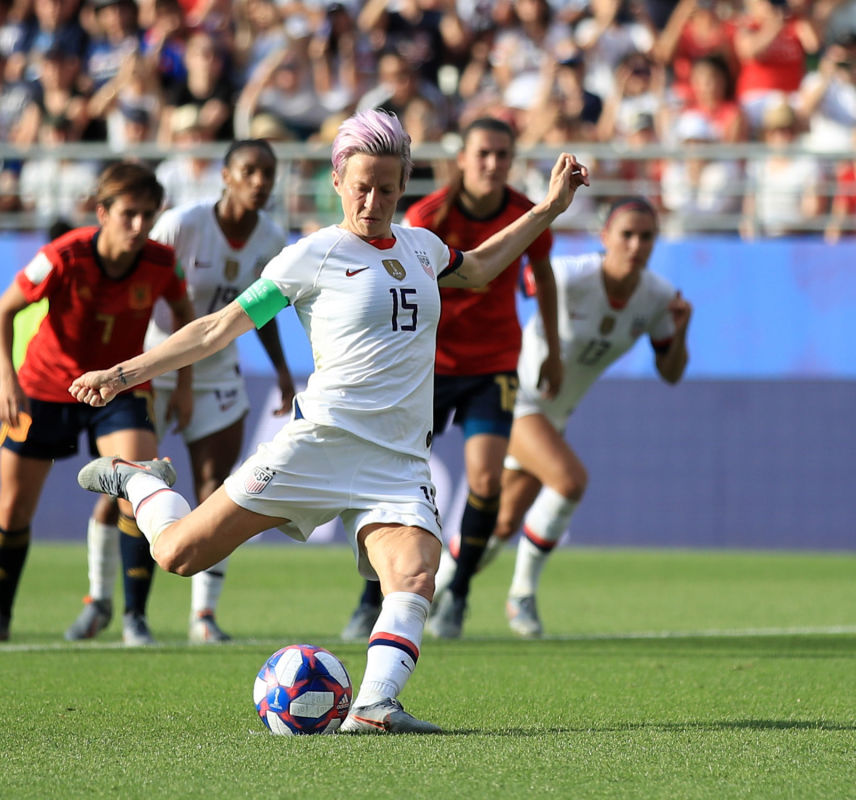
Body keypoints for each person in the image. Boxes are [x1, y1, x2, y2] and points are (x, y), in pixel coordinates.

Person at [70, 109, 588, 733]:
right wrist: (122, 374)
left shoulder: (423, 249)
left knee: (418, 571)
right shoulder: (310, 256)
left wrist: (548, 210)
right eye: (363, 186)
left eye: (389, 189)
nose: (374, 201)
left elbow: (478, 267)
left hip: (396, 461)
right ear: (339, 180)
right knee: (179, 554)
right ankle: (140, 481)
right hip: (317, 444)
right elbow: (214, 328)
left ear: (403, 189)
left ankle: (372, 707)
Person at [341, 116, 564, 642]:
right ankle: (373, 595)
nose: (492, 164)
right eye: (483, 153)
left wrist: (551, 348)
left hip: (494, 364)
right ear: (461, 157)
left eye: (502, 155)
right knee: (399, 479)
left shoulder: (520, 213)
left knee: (486, 481)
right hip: (431, 368)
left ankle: (459, 592)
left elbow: (544, 277)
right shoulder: (428, 214)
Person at [65, 139, 295, 645]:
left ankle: (204, 617)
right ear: (226, 177)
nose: (260, 181)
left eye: (268, 173)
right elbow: (138, 294)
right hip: (152, 369)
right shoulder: (182, 225)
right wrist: (123, 369)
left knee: (218, 492)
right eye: (250, 170)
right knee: (127, 486)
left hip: (217, 373)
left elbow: (263, 311)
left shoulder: (273, 238)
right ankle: (102, 600)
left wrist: (281, 370)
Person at [0, 162, 195, 647]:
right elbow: (3, 309)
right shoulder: (63, 255)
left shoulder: (159, 262)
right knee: (14, 508)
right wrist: (7, 380)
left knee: (142, 481)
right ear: (102, 211)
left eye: (148, 215)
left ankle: (135, 620)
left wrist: (185, 384)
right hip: (45, 388)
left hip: (118, 389)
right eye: (129, 213)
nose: (139, 226)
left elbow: (187, 316)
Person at [481, 197, 691, 637]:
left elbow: (670, 375)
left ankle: (436, 593)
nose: (636, 245)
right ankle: (522, 595)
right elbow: (529, 280)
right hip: (518, 397)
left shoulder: (656, 297)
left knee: (501, 523)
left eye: (647, 236)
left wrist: (682, 329)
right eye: (626, 235)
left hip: (555, 414)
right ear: (605, 238)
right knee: (570, 481)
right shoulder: (571, 274)